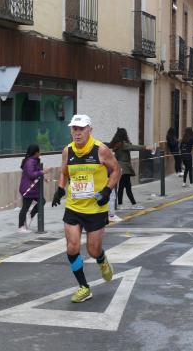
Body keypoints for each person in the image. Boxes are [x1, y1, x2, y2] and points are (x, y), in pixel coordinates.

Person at [51, 114, 121, 303]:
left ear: (90, 129)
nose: (77, 133)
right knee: (72, 247)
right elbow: (64, 172)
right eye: (74, 129)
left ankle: (101, 259)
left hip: (95, 209)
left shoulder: (101, 150)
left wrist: (107, 191)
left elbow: (116, 170)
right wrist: (59, 189)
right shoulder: (67, 151)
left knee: (93, 250)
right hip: (73, 207)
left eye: (81, 129)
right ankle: (83, 287)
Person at [110, 128, 151, 210]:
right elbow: (133, 147)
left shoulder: (116, 144)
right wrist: (145, 147)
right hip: (125, 168)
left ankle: (120, 204)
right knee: (127, 186)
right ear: (124, 135)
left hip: (120, 167)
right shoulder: (123, 144)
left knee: (122, 186)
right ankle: (133, 204)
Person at [18, 144, 50, 233]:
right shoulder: (30, 161)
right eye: (39, 151)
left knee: (42, 201)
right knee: (25, 207)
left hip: (33, 189)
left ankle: (30, 216)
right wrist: (43, 172)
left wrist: (43, 178)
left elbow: (36, 172)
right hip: (28, 189)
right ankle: (20, 226)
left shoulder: (34, 161)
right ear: (35, 152)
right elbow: (32, 174)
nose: (40, 153)